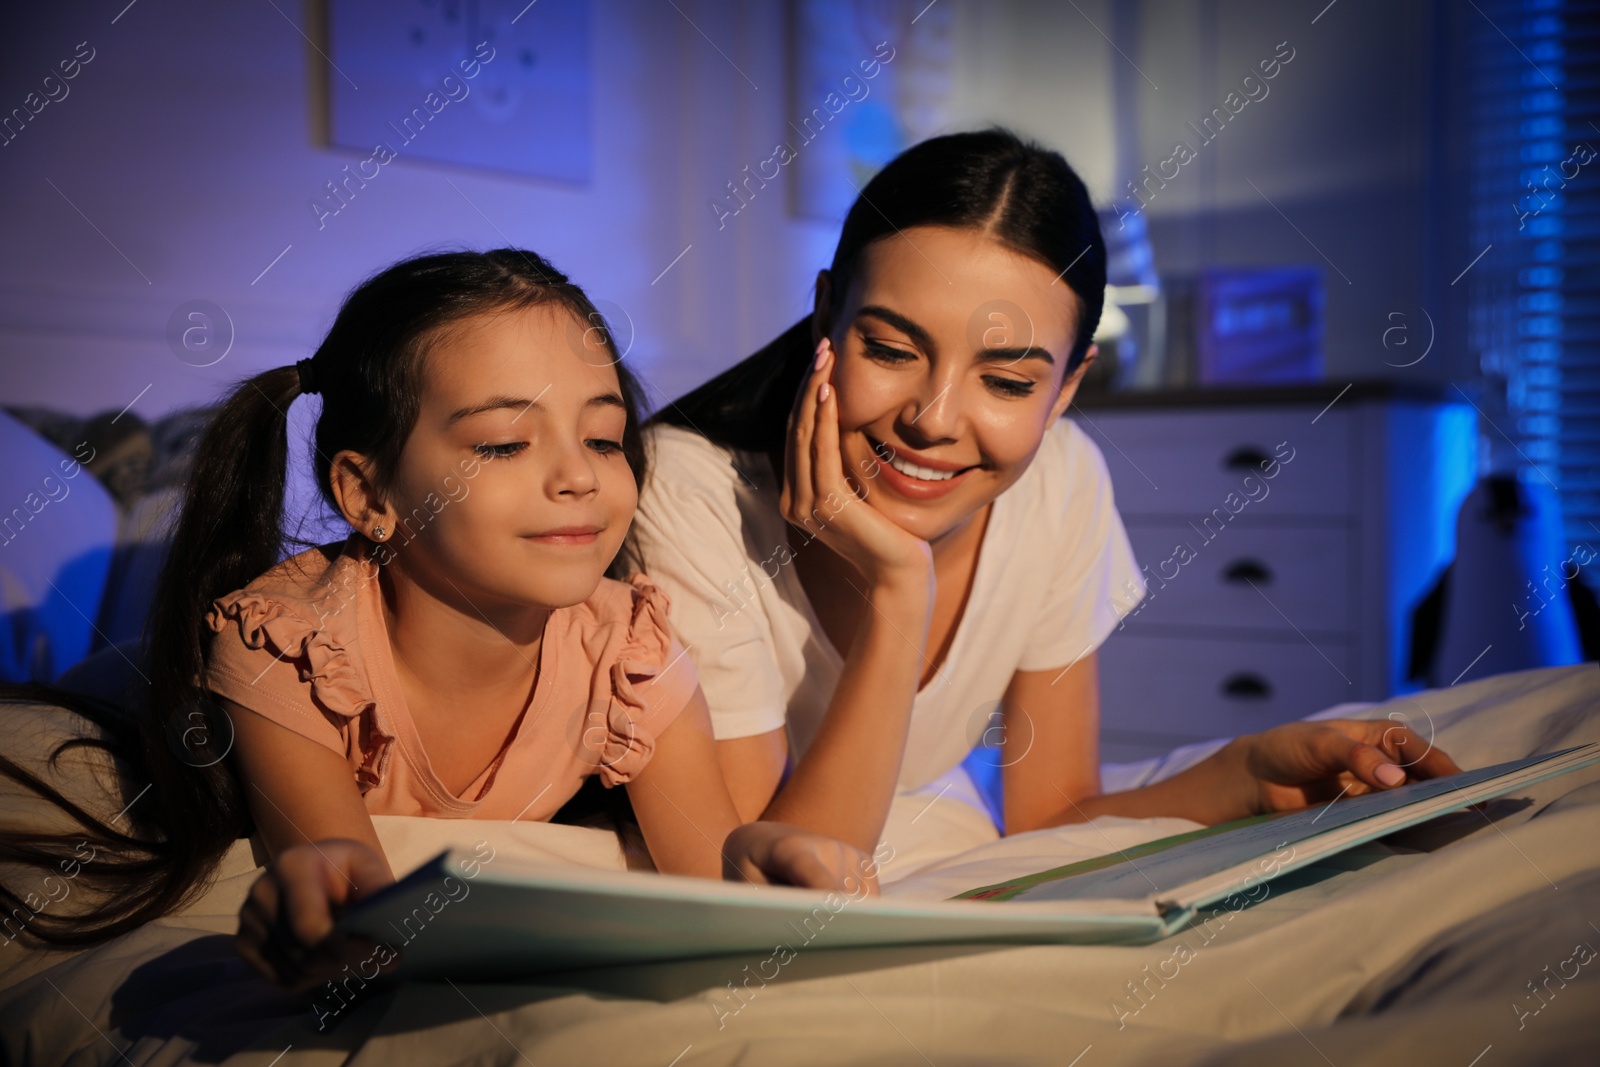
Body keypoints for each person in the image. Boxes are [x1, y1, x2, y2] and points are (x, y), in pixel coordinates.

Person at [0, 249, 872, 991]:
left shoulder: (631, 651)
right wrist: (314, 911)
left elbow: (714, 877)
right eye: (502, 443)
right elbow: (340, 884)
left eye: (604, 439)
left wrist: (771, 867)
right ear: (369, 494)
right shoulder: (287, 646)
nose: (578, 476)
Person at [622, 128, 1462, 869]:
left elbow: (1052, 816)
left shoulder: (1063, 479)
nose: (934, 419)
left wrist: (1247, 773)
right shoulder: (692, 495)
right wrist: (899, 595)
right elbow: (771, 890)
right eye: (889, 347)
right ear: (825, 320)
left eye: (1009, 379)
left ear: (1065, 389)